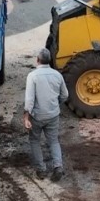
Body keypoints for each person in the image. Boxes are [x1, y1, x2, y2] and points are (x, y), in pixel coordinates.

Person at [23, 48, 68, 181]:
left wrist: (26, 117)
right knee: (53, 141)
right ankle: (58, 166)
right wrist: (56, 104)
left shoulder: (33, 76)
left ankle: (41, 170)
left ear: (37, 60)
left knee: (35, 140)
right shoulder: (57, 75)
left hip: (37, 116)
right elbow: (65, 95)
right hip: (53, 115)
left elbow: (29, 100)